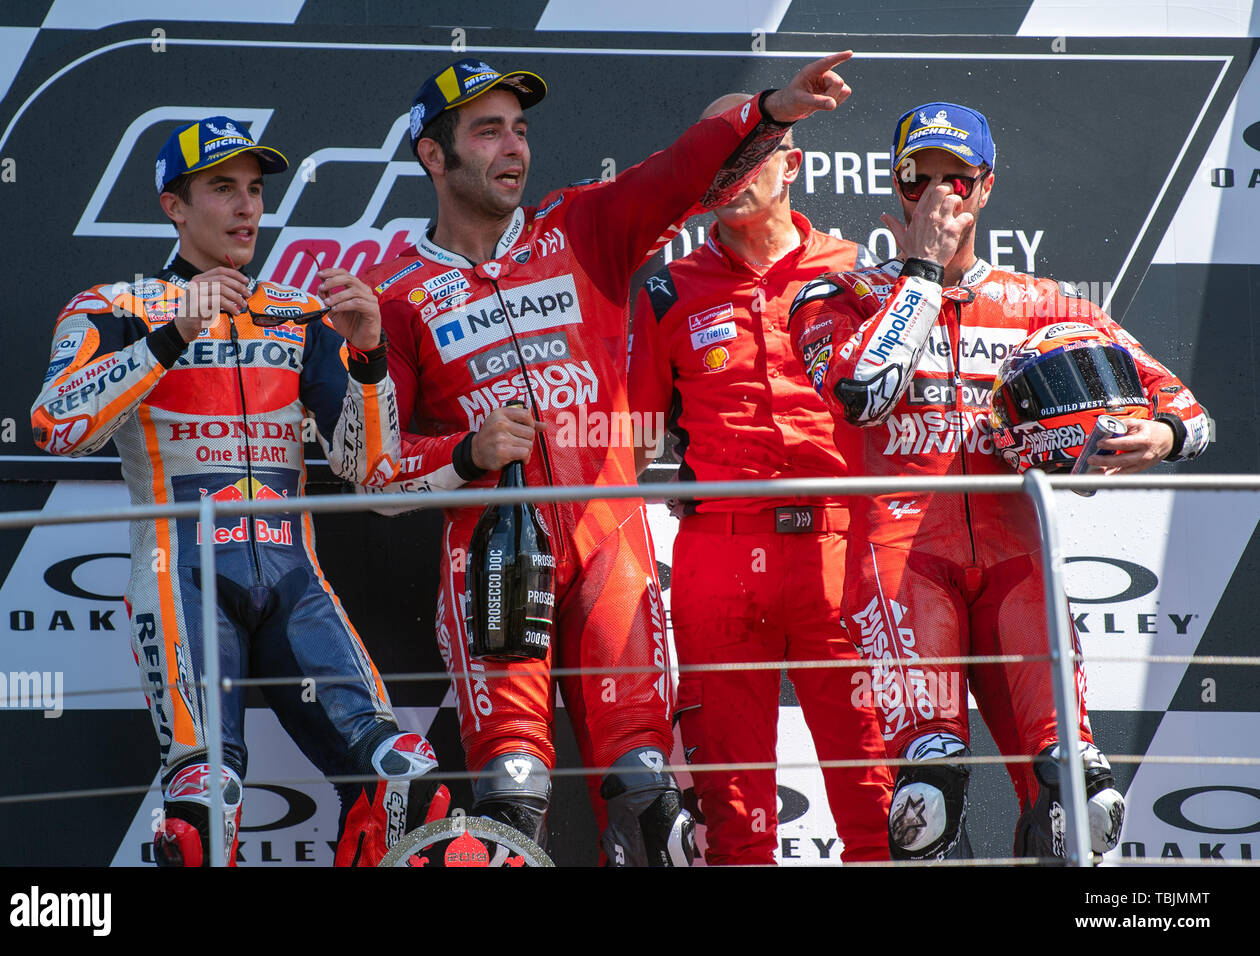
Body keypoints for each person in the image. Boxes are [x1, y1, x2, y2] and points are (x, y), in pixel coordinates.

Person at [362, 54, 858, 865]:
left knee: (645, 792)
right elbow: (376, 474)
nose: (513, 147)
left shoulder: (583, 224)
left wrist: (771, 111)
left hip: (610, 549)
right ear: (432, 156)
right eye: (488, 132)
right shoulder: (398, 296)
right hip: (493, 562)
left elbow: (684, 173)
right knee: (513, 795)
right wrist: (465, 450)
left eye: (520, 130)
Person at [786, 102, 1212, 861]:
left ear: (987, 189)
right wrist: (918, 273)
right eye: (923, 178)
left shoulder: (1042, 304)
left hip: (1019, 564)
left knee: (1079, 797)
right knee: (926, 799)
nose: (942, 197)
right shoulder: (835, 298)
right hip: (902, 564)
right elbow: (862, 396)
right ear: (898, 182)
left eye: (960, 179)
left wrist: (1160, 434)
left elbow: (1188, 410)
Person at [30, 116, 448, 867]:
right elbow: (58, 426)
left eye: (255, 189)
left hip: (294, 579)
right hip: (180, 579)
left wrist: (373, 356)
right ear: (173, 205)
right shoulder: (114, 306)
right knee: (204, 808)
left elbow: (367, 467)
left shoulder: (296, 316)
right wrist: (171, 338)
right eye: (223, 188)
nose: (248, 207)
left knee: (404, 778)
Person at [627, 94, 891, 865]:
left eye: (753, 155)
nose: (734, 174)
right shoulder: (668, 289)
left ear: (793, 165)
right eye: (721, 159)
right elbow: (631, 439)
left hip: (843, 554)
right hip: (717, 554)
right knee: (732, 817)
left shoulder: (859, 275)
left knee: (878, 801)